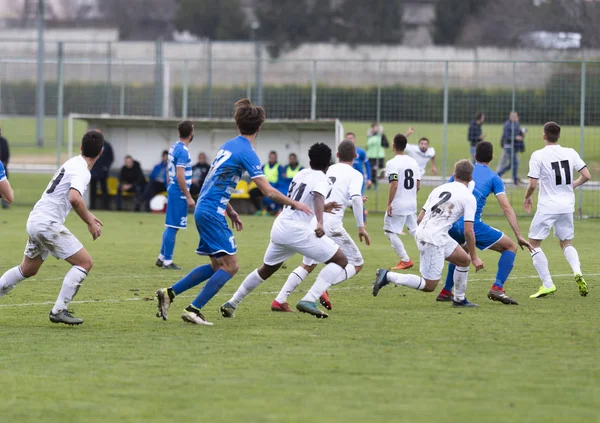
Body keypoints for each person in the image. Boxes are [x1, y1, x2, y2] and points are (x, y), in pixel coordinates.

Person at [154, 99, 311, 326]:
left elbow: (213, 180)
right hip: (211, 212)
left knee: (217, 266)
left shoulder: (227, 146)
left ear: (239, 125)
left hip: (205, 207)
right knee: (231, 266)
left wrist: (231, 209)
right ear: (259, 128)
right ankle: (194, 309)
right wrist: (296, 203)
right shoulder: (248, 152)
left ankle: (169, 293)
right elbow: (267, 191)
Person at [220, 143, 349, 319]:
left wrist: (323, 208)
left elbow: (305, 199)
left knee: (266, 270)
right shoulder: (323, 178)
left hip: (281, 226)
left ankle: (232, 303)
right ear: (328, 163)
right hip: (296, 230)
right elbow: (318, 196)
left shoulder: (301, 173)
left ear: (310, 160)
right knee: (340, 260)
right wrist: (320, 221)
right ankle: (310, 299)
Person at [0, 130, 104, 325]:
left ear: (81, 147)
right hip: (47, 224)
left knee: (27, 269)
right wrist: (89, 222)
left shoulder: (73, 162)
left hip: (35, 220)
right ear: (101, 152)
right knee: (85, 263)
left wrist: (89, 215)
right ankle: (59, 310)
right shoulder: (82, 170)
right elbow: (74, 198)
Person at [269, 140, 370, 312]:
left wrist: (349, 201)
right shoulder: (356, 174)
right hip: (331, 226)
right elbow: (355, 198)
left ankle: (280, 299)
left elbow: (333, 196)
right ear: (355, 156)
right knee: (357, 263)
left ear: (337, 156)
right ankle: (318, 291)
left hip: (313, 223)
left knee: (308, 265)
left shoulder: (328, 170)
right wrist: (361, 226)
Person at [372, 160, 484, 307]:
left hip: (431, 234)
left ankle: (459, 299)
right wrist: (475, 257)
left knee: (463, 260)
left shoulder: (439, 189)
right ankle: (387, 276)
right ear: (470, 178)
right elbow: (468, 231)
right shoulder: (469, 197)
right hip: (433, 238)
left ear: (454, 174)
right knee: (430, 285)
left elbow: (419, 219)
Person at [437, 141, 533, 305]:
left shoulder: (461, 172)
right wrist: (518, 235)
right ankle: (497, 288)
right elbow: (506, 207)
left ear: (475, 156)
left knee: (462, 250)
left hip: (451, 223)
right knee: (510, 247)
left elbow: (444, 196)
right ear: (492, 157)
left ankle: (446, 291)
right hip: (471, 225)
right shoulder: (494, 178)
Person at [524, 122, 591, 299]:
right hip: (567, 206)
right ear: (559, 136)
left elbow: (532, 184)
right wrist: (573, 185)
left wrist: (527, 197)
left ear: (543, 136)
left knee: (533, 244)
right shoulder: (570, 152)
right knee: (567, 242)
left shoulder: (538, 155)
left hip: (548, 206)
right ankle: (577, 273)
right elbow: (586, 176)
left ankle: (547, 284)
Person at [156, 122, 195, 270]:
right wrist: (188, 196)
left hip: (174, 189)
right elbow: (180, 175)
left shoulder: (174, 147)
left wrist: (169, 183)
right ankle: (167, 261)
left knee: (172, 225)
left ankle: (161, 257)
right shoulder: (183, 151)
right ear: (191, 133)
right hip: (179, 192)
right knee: (173, 226)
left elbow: (168, 169)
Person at [384, 133, 421, 271]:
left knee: (389, 231)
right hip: (411, 203)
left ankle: (405, 260)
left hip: (398, 205)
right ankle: (429, 254)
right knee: (416, 231)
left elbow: (394, 184)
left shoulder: (391, 163)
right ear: (405, 146)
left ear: (393, 145)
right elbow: (417, 185)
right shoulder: (413, 162)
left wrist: (389, 204)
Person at [496, 111, 524, 185]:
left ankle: (498, 175)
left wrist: (522, 133)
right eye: (514, 116)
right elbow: (506, 137)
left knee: (511, 164)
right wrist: (516, 138)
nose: (516, 117)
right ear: (510, 117)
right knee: (514, 162)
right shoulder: (507, 125)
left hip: (514, 146)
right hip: (508, 146)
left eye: (516, 116)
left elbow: (518, 133)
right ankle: (514, 180)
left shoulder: (516, 124)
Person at [89, 137, 114, 210]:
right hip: (93, 172)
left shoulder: (107, 145)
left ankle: (105, 207)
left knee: (104, 190)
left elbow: (111, 158)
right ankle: (92, 207)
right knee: (93, 190)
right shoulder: (91, 145)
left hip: (103, 172)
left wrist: (105, 167)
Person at [257, 151, 284, 215]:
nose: (272, 159)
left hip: (275, 186)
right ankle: (261, 210)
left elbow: (281, 178)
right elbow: (259, 176)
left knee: (269, 197)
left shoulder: (279, 167)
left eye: (273, 157)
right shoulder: (264, 166)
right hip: (264, 185)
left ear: (276, 158)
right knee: (252, 192)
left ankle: (275, 210)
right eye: (271, 157)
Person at [0, 127, 11, 208]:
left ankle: (5, 203)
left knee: (4, 186)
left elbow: (7, 154)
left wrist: (4, 163)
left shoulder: (4, 141)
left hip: (2, 167)